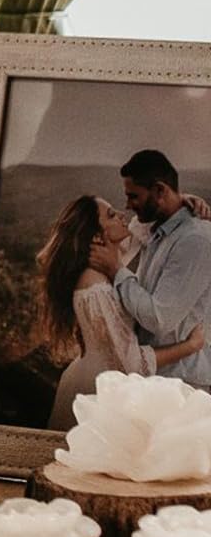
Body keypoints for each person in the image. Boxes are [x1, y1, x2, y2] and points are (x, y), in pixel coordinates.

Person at [40, 193, 204, 431]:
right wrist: (190, 346)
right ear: (97, 236)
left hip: (98, 378)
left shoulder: (104, 261)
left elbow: (140, 232)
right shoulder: (95, 286)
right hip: (98, 389)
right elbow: (130, 362)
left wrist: (178, 202)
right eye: (111, 215)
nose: (121, 215)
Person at [88, 148, 211, 392]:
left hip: (183, 383)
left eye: (134, 196)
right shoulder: (154, 229)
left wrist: (117, 271)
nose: (128, 205)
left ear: (159, 191)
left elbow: (159, 318)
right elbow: (130, 230)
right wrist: (183, 200)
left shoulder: (195, 240)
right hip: (153, 377)